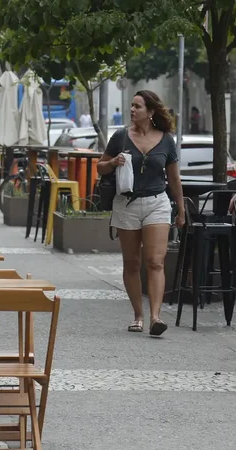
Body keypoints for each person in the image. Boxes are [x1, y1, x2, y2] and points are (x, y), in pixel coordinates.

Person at [97, 90, 185, 337]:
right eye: (132, 106)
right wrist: (113, 163)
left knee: (155, 261)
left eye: (137, 106)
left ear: (151, 111)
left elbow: (174, 178)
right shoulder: (121, 137)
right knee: (132, 262)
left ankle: (156, 317)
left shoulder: (166, 140)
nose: (133, 110)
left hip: (157, 202)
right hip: (127, 204)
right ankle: (138, 314)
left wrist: (181, 208)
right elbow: (100, 166)